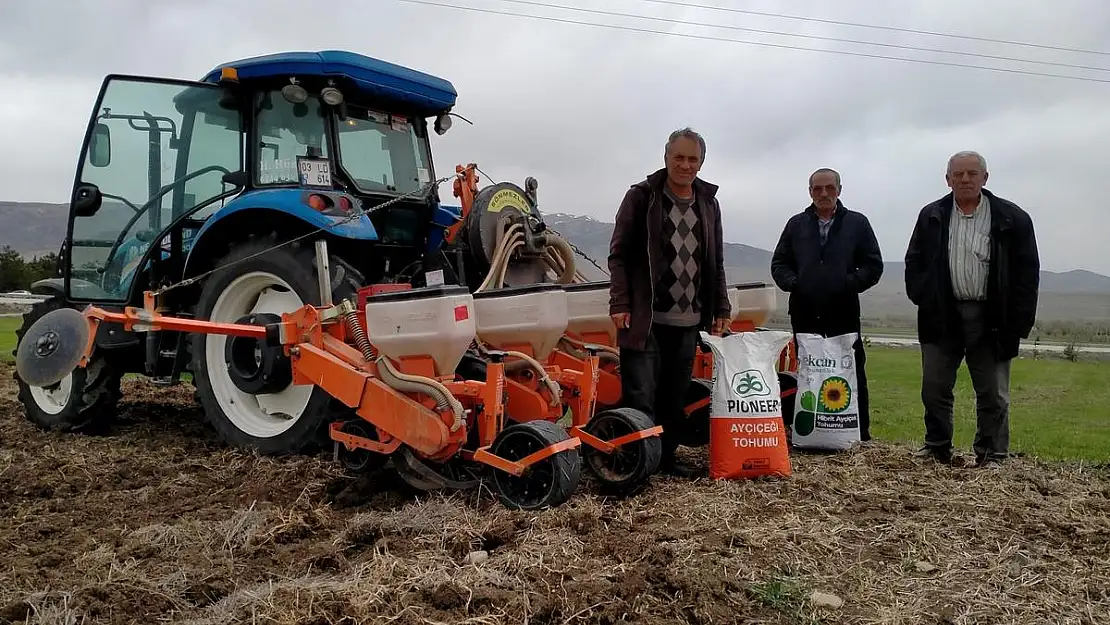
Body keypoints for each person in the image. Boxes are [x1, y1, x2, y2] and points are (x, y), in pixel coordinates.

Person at [607, 127, 731, 477]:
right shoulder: (642, 197)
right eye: (679, 157)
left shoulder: (708, 203)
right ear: (666, 158)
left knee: (674, 399)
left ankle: (665, 460)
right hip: (645, 319)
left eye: (693, 159)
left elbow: (715, 261)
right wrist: (620, 303)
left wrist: (720, 307)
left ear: (701, 163)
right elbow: (619, 255)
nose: (685, 165)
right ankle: (634, 463)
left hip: (688, 319)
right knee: (640, 396)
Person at [904, 151, 1039, 468]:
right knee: (934, 387)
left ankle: (992, 453)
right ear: (947, 179)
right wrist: (924, 296)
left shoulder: (1012, 218)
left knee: (993, 392)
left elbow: (1027, 274)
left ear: (985, 178)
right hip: (942, 314)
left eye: (972, 174)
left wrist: (1018, 323)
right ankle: (937, 447)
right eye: (959, 174)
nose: (965, 179)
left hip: (992, 317)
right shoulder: (931, 215)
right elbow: (914, 262)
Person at [770, 168, 884, 442]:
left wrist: (848, 283)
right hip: (805, 311)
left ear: (839, 190)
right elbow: (779, 264)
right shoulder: (796, 224)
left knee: (852, 369)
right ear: (810, 192)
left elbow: (873, 265)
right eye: (817, 189)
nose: (823, 194)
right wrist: (796, 283)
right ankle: (808, 432)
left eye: (829, 188)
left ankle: (860, 433)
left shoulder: (857, 223)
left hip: (843, 311)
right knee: (809, 369)